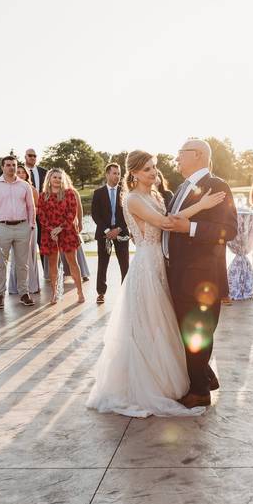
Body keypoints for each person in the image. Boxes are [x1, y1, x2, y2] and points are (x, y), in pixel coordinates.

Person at [86, 148, 227, 416]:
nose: (153, 173)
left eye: (154, 167)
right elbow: (165, 223)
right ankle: (149, 385)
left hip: (163, 265)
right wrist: (202, 205)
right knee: (149, 325)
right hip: (147, 268)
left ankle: (181, 378)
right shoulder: (133, 200)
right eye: (147, 169)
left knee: (166, 324)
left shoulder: (155, 195)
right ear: (135, 173)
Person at [164, 139, 238, 408]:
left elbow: (229, 230)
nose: (176, 159)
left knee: (198, 331)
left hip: (200, 277)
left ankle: (199, 392)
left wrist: (190, 229)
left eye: (180, 153)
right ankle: (204, 376)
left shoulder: (217, 187)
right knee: (185, 331)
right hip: (178, 273)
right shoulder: (180, 189)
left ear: (197, 155)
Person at [0, 155, 37, 309]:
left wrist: (31, 225)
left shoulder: (24, 185)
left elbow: (30, 207)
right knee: (1, 264)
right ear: (2, 167)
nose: (11, 168)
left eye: (14, 165)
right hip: (2, 227)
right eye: (8, 165)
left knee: (22, 264)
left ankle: (24, 294)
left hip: (22, 227)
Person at [37, 169, 84, 304]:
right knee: (53, 265)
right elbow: (41, 215)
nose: (57, 179)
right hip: (50, 234)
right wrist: (52, 230)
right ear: (49, 179)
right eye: (54, 177)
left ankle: (80, 292)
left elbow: (72, 213)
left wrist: (60, 228)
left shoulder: (69, 194)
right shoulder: (43, 196)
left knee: (72, 262)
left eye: (59, 177)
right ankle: (54, 294)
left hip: (67, 231)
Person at [92, 163, 130, 304]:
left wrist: (118, 229)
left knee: (124, 263)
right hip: (104, 234)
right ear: (107, 174)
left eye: (119, 173)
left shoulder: (125, 193)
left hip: (121, 232)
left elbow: (128, 215)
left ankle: (125, 292)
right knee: (103, 264)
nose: (117, 176)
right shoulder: (98, 193)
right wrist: (107, 231)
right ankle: (101, 292)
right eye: (114, 173)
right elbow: (95, 215)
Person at [7, 165, 41, 297]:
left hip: (29, 225)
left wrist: (27, 215)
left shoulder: (31, 189)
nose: (20, 174)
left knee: (28, 256)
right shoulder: (11, 189)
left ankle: (31, 286)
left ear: (27, 175)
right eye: (18, 172)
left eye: (23, 173)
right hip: (14, 226)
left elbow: (38, 208)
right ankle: (15, 287)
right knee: (15, 256)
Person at [24, 148, 49, 278]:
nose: (32, 158)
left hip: (43, 214)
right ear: (25, 157)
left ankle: (47, 273)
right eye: (30, 155)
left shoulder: (44, 172)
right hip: (24, 215)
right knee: (26, 245)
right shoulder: (19, 173)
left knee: (44, 243)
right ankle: (27, 276)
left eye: (34, 155)